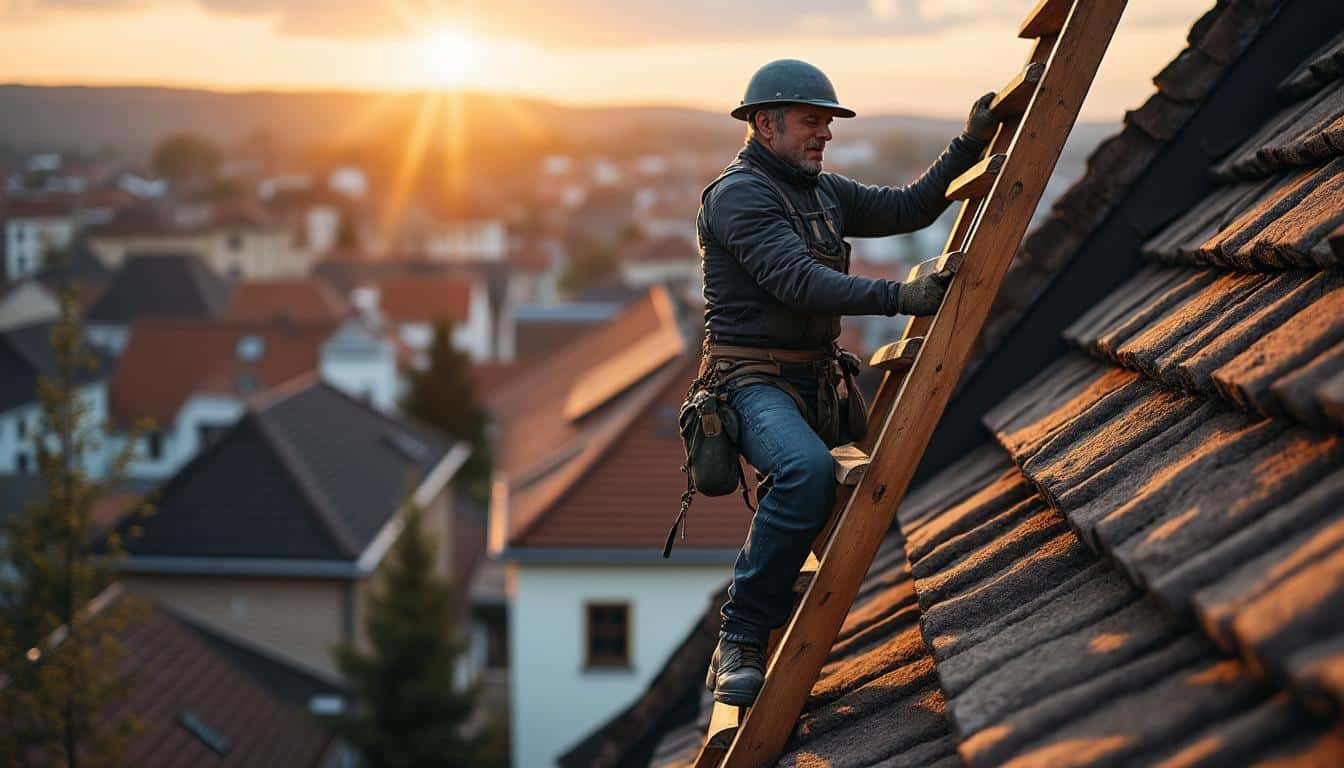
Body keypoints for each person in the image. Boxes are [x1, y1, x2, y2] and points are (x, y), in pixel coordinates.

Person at [698, 58, 1001, 706]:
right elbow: (797, 283)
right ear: (764, 123)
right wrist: (901, 295)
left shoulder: (823, 193)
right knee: (805, 473)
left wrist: (969, 144)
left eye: (828, 123)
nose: (825, 134)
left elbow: (912, 207)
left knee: (901, 470)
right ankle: (741, 637)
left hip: (818, 383)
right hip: (752, 382)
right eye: (812, 121)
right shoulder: (739, 196)